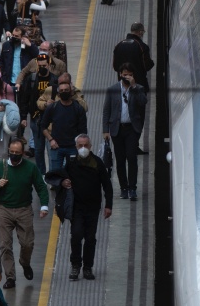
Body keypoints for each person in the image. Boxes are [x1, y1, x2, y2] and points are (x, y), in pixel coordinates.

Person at [0, 139, 49, 288]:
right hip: (4, 210)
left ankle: (25, 262)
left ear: (23, 152)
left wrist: (44, 206)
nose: (14, 155)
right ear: (8, 151)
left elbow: (40, 186)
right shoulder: (0, 166)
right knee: (5, 245)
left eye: (17, 153)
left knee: (27, 243)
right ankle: (11, 277)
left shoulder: (30, 168)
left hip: (24, 209)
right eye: (12, 152)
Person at [56, 134, 112, 280]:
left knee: (90, 238)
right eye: (80, 145)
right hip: (77, 208)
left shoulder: (97, 163)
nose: (83, 148)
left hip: (93, 208)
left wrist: (108, 205)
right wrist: (63, 183)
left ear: (90, 146)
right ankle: (75, 266)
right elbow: (60, 177)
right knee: (76, 236)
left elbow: (107, 185)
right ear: (76, 147)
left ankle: (88, 267)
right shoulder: (71, 163)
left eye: (85, 145)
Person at [102, 63, 147, 200]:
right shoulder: (112, 89)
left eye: (130, 74)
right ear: (120, 75)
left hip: (132, 129)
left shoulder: (138, 88)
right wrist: (105, 130)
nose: (127, 76)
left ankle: (133, 188)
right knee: (120, 159)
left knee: (132, 157)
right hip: (117, 129)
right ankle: (124, 187)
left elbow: (143, 102)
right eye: (124, 74)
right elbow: (106, 110)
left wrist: (134, 87)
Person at [38, 78, 87, 172]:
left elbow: (83, 131)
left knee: (74, 174)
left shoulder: (78, 109)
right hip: (57, 147)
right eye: (61, 91)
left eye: (66, 90)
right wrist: (51, 140)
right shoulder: (52, 108)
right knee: (56, 176)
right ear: (58, 93)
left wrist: (80, 146)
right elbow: (43, 126)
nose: (64, 92)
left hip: (73, 148)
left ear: (71, 92)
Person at [111, 22, 154, 89]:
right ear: (140, 32)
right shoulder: (142, 46)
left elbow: (115, 66)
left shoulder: (118, 46)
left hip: (123, 84)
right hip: (139, 84)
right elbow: (147, 66)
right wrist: (152, 63)